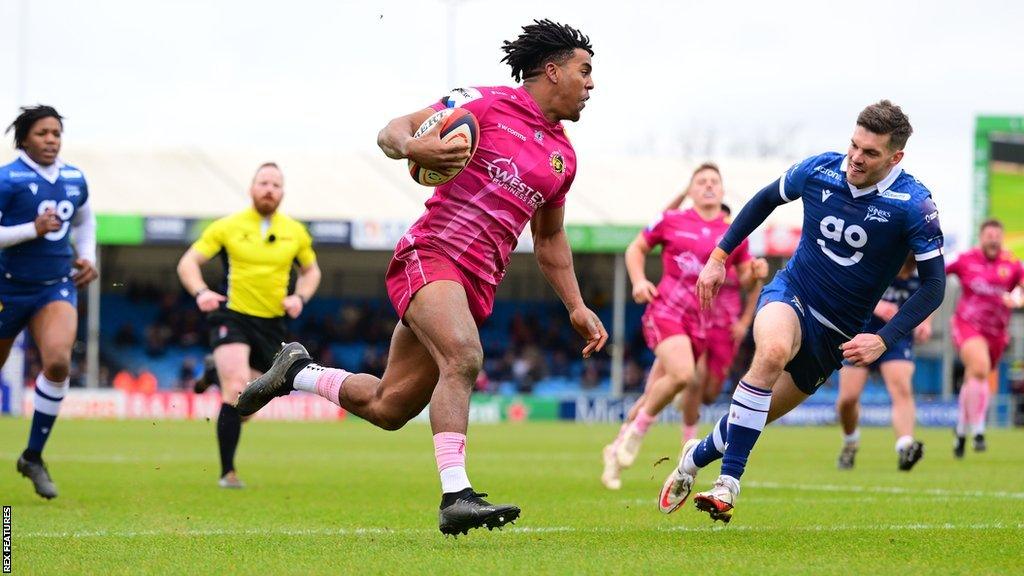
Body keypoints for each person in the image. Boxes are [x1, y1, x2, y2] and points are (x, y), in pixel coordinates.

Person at [237, 19, 607, 536]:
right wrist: (416, 148)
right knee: (465, 354)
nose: (592, 85)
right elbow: (392, 131)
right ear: (552, 70)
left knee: (389, 406)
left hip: (477, 284)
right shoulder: (483, 103)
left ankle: (295, 371)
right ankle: (456, 495)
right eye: (584, 71)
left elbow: (549, 241)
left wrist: (575, 305)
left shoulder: (563, 158)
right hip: (430, 254)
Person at [657, 100, 945, 523]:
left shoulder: (914, 204)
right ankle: (728, 485)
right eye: (854, 145)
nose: (856, 159)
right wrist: (719, 256)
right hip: (792, 293)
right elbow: (764, 200)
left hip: (837, 334)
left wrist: (883, 338)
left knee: (750, 422)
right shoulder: (821, 169)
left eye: (870, 153)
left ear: (895, 157)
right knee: (771, 353)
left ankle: (692, 458)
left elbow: (934, 285)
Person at [599, 164, 767, 495]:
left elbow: (745, 277)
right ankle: (659, 440)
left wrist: (756, 274)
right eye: (700, 181)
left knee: (668, 389)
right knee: (682, 376)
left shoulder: (734, 233)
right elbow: (636, 248)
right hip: (667, 311)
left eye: (714, 182)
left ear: (722, 191)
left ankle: (616, 450)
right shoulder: (671, 220)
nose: (708, 186)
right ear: (689, 191)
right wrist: (639, 281)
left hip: (704, 325)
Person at [176, 162, 320, 489]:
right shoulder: (227, 227)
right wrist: (200, 292)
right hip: (233, 316)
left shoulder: (295, 231)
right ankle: (228, 473)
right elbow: (188, 262)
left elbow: (312, 272)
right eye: (264, 183)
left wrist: (300, 297)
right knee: (235, 388)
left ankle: (213, 374)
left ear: (282, 192)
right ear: (251, 188)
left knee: (249, 404)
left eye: (276, 185)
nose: (269, 189)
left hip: (272, 326)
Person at [1, 105, 98, 499]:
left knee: (58, 361)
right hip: (6, 287)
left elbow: (86, 220)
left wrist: (87, 255)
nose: (51, 140)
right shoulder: (8, 179)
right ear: (24, 138)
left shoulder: (75, 178)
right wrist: (31, 229)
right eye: (42, 133)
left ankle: (32, 456)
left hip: (55, 285)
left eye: (56, 133)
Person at [835, 253, 932, 471]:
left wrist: (926, 323)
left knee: (901, 388)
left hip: (896, 339)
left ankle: (905, 446)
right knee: (847, 399)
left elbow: (931, 295)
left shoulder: (922, 273)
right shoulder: (876, 262)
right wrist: (877, 306)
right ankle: (851, 442)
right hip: (862, 333)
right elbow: (849, 288)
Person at [945, 219, 1024, 458]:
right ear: (981, 238)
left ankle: (960, 432)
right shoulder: (965, 259)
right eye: (989, 235)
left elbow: (1021, 287)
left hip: (997, 333)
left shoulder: (1012, 264)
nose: (993, 239)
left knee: (974, 378)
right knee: (979, 368)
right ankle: (979, 431)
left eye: (997, 235)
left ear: (1001, 239)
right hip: (967, 325)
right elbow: (935, 274)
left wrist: (1018, 298)